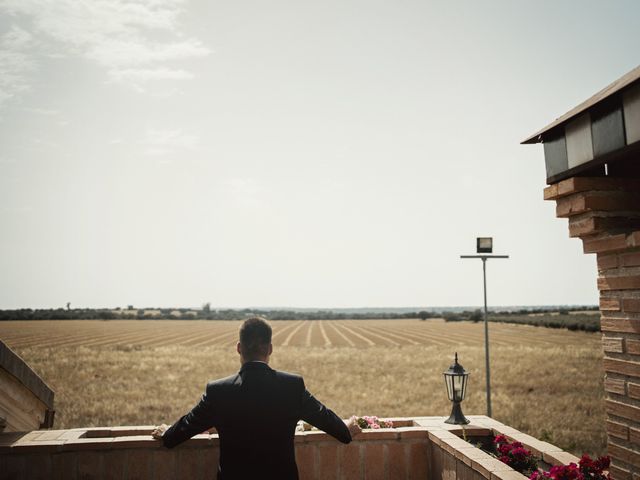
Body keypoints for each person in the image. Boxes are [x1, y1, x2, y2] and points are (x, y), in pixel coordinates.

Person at [152, 317, 361, 479]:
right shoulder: (292, 386)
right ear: (270, 349)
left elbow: (182, 430)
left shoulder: (218, 391)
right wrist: (347, 429)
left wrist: (167, 433)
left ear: (239, 348)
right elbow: (327, 420)